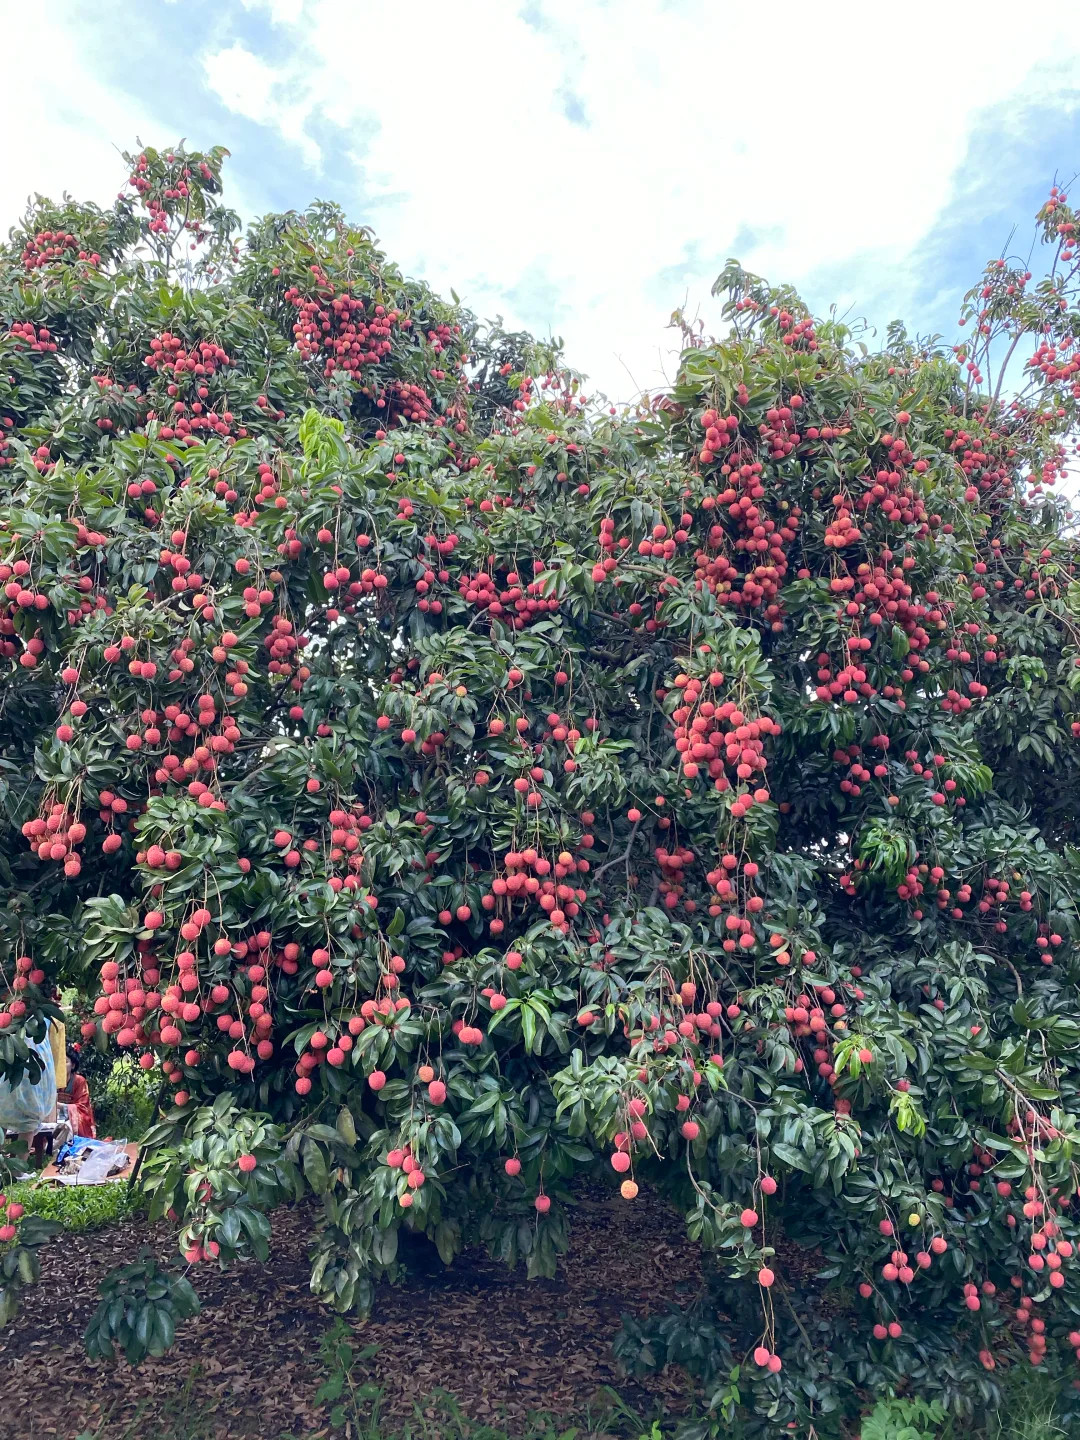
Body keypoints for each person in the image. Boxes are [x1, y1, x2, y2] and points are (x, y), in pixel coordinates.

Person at [65, 1045, 96, 1138]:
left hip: (71, 1118)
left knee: (80, 1117)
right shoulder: (51, 1080)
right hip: (55, 1114)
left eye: (65, 1062)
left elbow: (83, 1107)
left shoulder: (79, 1080)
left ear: (73, 1065)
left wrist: (60, 1106)